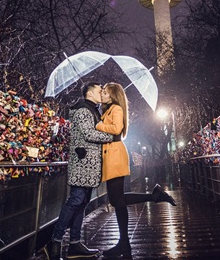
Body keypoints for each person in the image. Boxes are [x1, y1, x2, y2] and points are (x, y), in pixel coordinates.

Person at [96, 82, 176, 258]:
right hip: (112, 155)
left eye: (105, 92)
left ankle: (124, 244)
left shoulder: (116, 108)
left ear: (113, 95)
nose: (102, 94)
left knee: (118, 200)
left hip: (115, 155)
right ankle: (124, 243)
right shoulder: (108, 110)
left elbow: (116, 130)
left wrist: (98, 125)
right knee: (117, 200)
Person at [44, 82, 114, 260]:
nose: (102, 93)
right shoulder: (83, 109)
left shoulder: (92, 109)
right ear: (90, 93)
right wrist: (113, 136)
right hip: (83, 163)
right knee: (75, 200)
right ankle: (55, 240)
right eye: (100, 91)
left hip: (89, 164)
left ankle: (75, 244)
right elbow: (89, 133)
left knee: (82, 202)